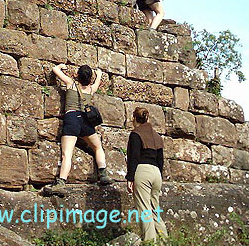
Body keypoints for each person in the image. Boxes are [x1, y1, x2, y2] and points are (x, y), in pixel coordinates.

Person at [43, 63, 112, 196]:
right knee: (98, 147)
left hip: (72, 119)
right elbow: (99, 79)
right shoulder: (92, 89)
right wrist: (98, 74)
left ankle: (61, 182)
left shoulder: (71, 84)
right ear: (89, 78)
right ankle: (103, 174)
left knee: (67, 154)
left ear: (77, 76)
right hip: (85, 121)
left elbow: (55, 70)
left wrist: (62, 66)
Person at [126, 107, 168, 243]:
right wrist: (159, 176)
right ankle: (165, 241)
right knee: (155, 210)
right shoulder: (157, 136)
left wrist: (130, 177)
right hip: (156, 173)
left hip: (142, 171)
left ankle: (150, 242)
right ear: (147, 118)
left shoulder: (136, 134)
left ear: (134, 119)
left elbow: (134, 157)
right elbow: (160, 160)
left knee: (145, 211)